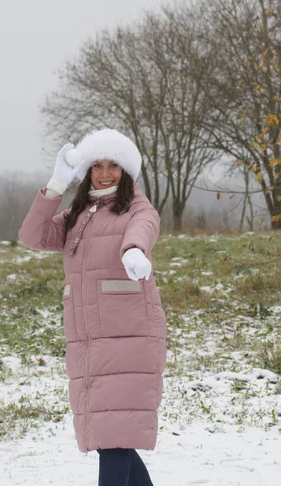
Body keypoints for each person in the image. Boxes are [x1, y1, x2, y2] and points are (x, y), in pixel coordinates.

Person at [18, 128, 167, 486]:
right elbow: (32, 236)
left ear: (127, 170)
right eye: (97, 165)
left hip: (128, 339)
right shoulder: (78, 214)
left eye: (114, 164)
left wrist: (133, 250)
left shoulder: (136, 206)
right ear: (86, 171)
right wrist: (55, 186)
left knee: (113, 439)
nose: (104, 173)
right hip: (87, 341)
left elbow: (145, 227)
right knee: (111, 440)